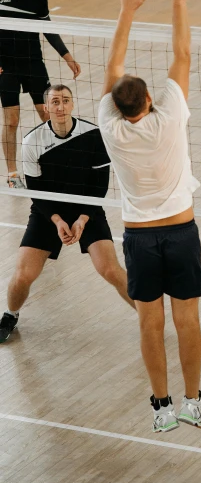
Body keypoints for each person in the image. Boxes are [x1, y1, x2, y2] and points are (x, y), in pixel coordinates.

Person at [98, 0, 201, 434]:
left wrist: (125, 11)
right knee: (187, 320)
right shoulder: (171, 117)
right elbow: (181, 52)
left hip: (139, 239)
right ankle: (192, 402)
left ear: (118, 106)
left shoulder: (110, 127)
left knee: (149, 324)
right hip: (181, 232)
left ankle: (161, 407)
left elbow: (111, 69)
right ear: (150, 100)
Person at [0, 83, 133, 344]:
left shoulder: (94, 135)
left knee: (110, 269)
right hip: (47, 210)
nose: (61, 107)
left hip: (87, 208)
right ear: (46, 107)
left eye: (65, 101)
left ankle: (148, 315)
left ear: (72, 104)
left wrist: (83, 218)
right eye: (55, 102)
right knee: (23, 274)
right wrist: (58, 220)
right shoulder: (31, 141)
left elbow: (99, 186)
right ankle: (10, 314)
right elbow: (37, 192)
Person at [0, 0, 81, 187]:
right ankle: (13, 174)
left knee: (49, 115)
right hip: (6, 68)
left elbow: (48, 28)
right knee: (11, 121)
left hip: (33, 63)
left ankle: (55, 165)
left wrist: (67, 56)